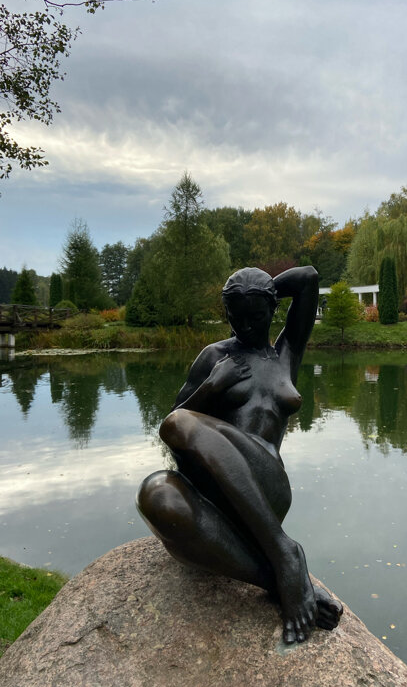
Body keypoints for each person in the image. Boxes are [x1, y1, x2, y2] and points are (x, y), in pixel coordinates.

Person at [137, 266, 342, 643]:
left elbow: (308, 278)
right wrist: (212, 386)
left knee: (182, 422)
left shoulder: (285, 354)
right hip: (215, 499)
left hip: (266, 490)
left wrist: (260, 289)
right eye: (235, 316)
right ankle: (281, 577)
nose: (245, 327)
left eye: (256, 316)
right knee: (156, 493)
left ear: (272, 310)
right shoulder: (215, 357)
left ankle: (283, 550)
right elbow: (170, 427)